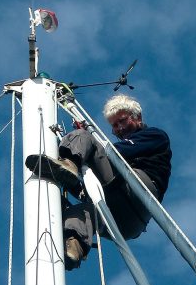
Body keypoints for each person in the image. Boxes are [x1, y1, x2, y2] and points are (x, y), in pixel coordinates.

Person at [25, 94, 172, 270]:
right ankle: (74, 248)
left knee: (83, 136)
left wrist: (85, 140)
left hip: (139, 190)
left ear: (137, 118)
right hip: (127, 224)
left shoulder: (154, 136)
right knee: (79, 212)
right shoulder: (123, 149)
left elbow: (115, 154)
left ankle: (70, 163)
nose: (119, 128)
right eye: (114, 126)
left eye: (122, 121)